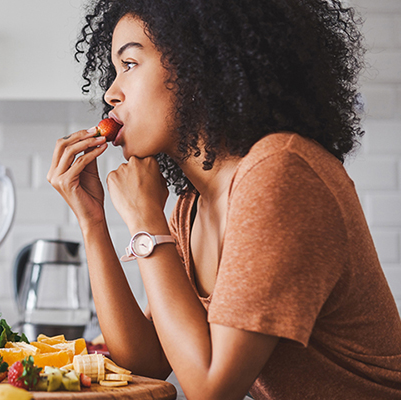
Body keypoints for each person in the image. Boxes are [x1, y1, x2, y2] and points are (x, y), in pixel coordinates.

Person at [47, 0, 401, 399]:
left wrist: (146, 223)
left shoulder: (281, 173)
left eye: (129, 65)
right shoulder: (192, 205)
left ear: (197, 67)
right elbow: (147, 361)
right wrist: (92, 221)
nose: (111, 93)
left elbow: (211, 388)